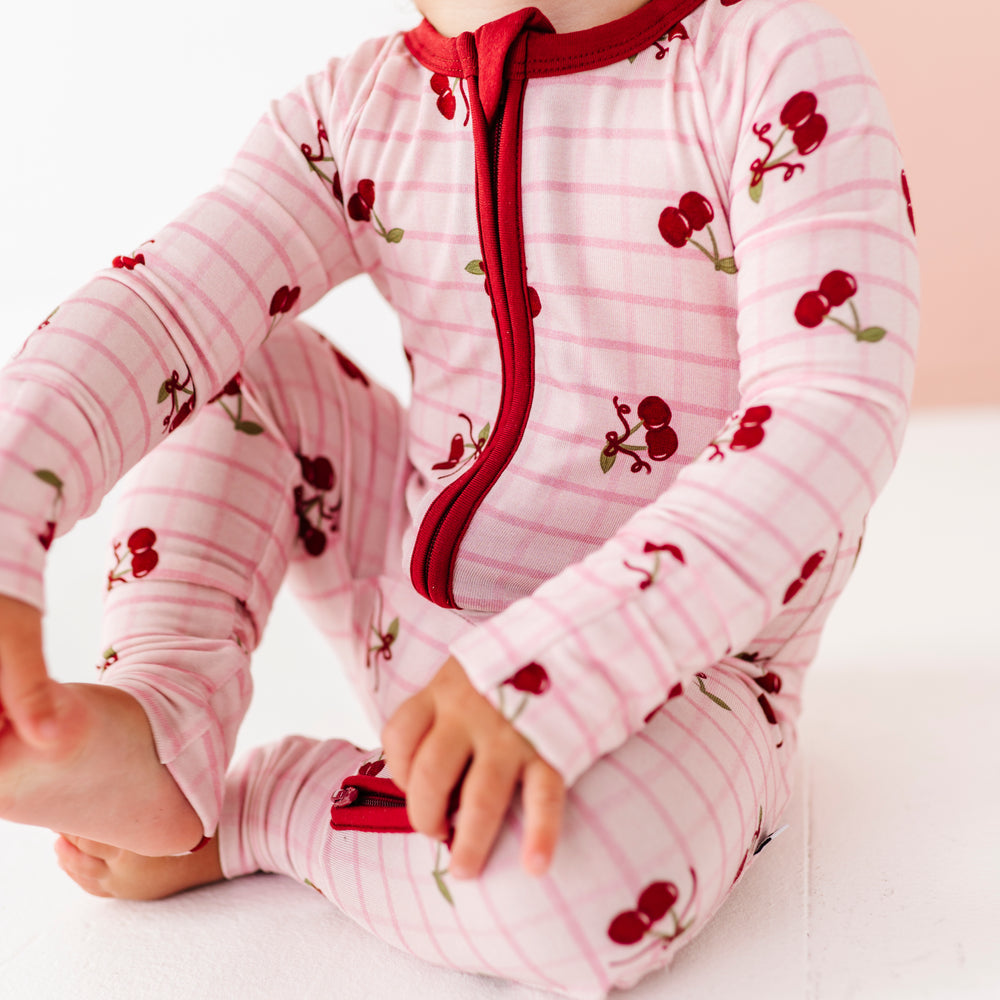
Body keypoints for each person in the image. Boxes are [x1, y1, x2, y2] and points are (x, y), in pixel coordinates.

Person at [0, 0, 918, 995]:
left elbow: (829, 410)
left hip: (687, 679)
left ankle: (265, 806)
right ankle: (164, 727)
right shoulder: (355, 109)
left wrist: (549, 670)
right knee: (216, 356)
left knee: (569, 885)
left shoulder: (770, 67)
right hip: (410, 641)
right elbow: (163, 308)